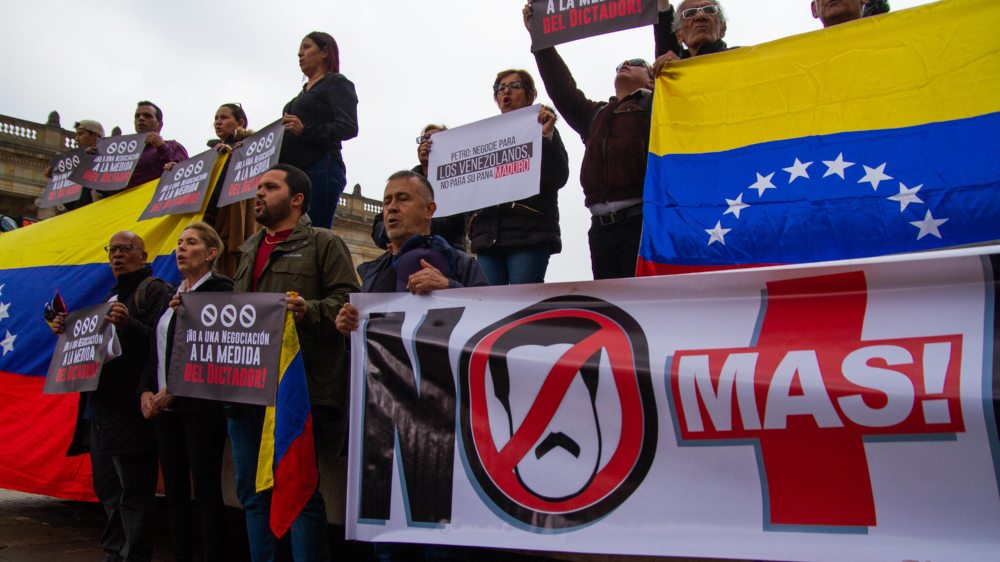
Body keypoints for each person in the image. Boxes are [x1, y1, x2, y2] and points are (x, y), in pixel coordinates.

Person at [336, 169, 487, 562]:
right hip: (382, 429)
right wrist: (347, 328)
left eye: (402, 199)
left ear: (429, 210)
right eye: (387, 201)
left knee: (442, 546)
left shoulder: (461, 265)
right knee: (388, 548)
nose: (390, 209)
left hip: (442, 426)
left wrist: (451, 290)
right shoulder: (369, 276)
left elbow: (493, 325)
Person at [230, 163, 359, 562]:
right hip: (246, 387)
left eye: (269, 187)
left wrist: (310, 310)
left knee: (299, 491)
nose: (259, 194)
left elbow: (349, 303)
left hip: (298, 390)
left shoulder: (323, 242)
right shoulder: (250, 248)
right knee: (252, 492)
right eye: (258, 187)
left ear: (296, 198)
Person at [56, 231, 172, 562]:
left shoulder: (155, 291)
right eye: (112, 250)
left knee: (134, 496)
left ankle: (133, 556)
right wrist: (65, 329)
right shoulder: (110, 296)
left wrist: (129, 325)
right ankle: (113, 555)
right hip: (100, 412)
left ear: (144, 254)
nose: (117, 256)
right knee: (108, 493)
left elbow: (162, 345)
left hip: (132, 412)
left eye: (125, 249)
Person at [522, 4, 656, 280]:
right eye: (620, 65)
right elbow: (563, 91)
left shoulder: (657, 106)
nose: (626, 65)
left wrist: (663, 14)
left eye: (637, 63)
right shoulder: (595, 115)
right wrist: (541, 41)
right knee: (615, 311)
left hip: (641, 223)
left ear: (652, 80)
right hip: (600, 229)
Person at [139, 222, 231, 562]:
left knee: (206, 491)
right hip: (165, 409)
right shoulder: (170, 294)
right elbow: (157, 346)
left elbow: (217, 349)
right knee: (174, 492)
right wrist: (146, 390)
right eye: (179, 243)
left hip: (200, 407)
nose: (181, 249)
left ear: (210, 253)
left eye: (190, 243)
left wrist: (174, 389)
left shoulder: (222, 292)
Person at [467, 69, 568, 285]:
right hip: (488, 238)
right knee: (489, 306)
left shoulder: (542, 129)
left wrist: (546, 137)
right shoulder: (484, 140)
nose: (506, 92)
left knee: (521, 306)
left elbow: (558, 176)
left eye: (514, 86)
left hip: (529, 236)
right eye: (500, 88)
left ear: (530, 95)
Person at [280, 31, 359, 229]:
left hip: (321, 168)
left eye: (306, 47)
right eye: (299, 50)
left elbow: (348, 127)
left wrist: (305, 131)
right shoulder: (299, 97)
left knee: (313, 233)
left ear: (325, 52)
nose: (300, 54)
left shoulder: (337, 83)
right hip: (292, 175)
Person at [370, 124, 470, 252]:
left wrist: (406, 233)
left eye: (435, 138)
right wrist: (393, 236)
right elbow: (378, 225)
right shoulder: (404, 183)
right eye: (423, 139)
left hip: (447, 255)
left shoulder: (460, 182)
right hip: (408, 256)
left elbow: (453, 224)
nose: (426, 143)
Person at [204, 103, 260, 277]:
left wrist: (233, 156)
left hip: (234, 221)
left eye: (224, 117)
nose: (218, 122)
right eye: (216, 118)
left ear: (240, 122)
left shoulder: (252, 147)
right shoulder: (213, 153)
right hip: (210, 217)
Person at [652, 0, 733, 75]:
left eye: (709, 10)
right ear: (679, 35)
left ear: (723, 28)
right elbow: (664, 35)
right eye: (690, 13)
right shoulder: (672, 68)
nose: (700, 16)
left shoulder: (741, 60)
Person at [127, 101, 189, 189]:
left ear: (159, 125)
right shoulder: (125, 153)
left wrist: (161, 147)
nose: (141, 118)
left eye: (147, 116)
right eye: (137, 116)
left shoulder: (173, 146)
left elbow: (185, 175)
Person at [57, 119, 105, 210]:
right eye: (76, 135)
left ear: (95, 137)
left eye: (80, 134)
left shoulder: (108, 160)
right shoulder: (74, 163)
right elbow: (70, 203)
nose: (76, 139)